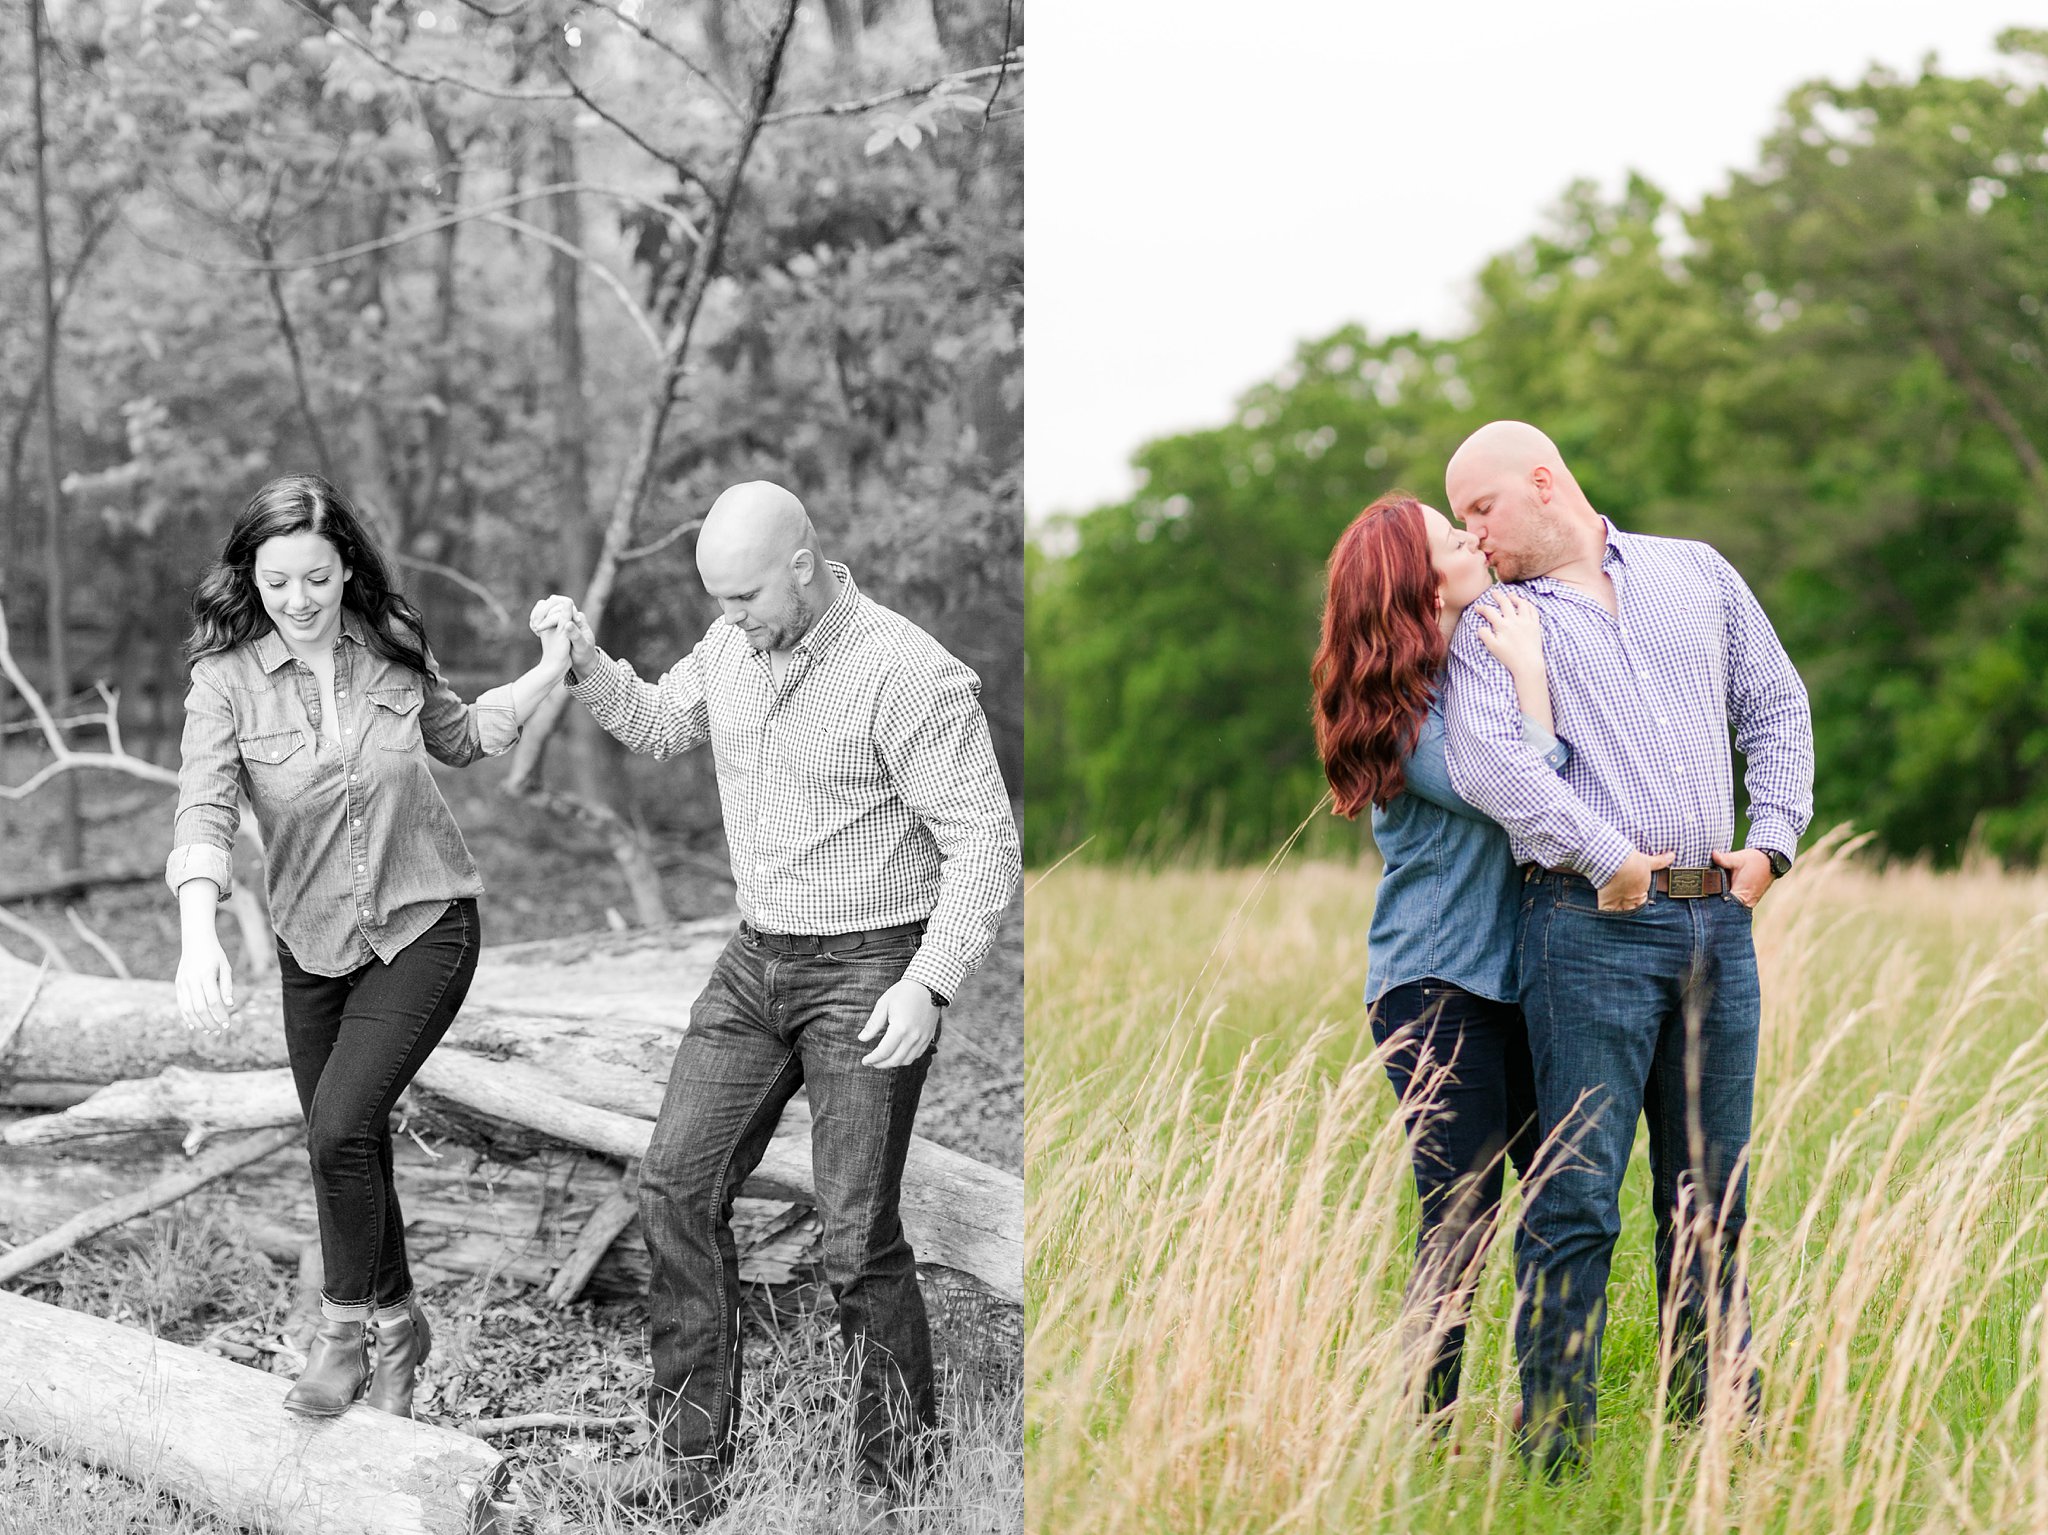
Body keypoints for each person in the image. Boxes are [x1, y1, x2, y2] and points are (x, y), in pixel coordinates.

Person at [541, 481, 1020, 1526]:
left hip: (871, 962)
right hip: (756, 960)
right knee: (673, 1186)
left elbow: (984, 841)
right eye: (715, 596)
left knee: (853, 1238)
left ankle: (899, 1480)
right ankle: (689, 1462)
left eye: (744, 593)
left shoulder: (906, 672)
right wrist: (584, 661)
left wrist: (927, 981)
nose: (729, 615)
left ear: (802, 561)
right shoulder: (730, 649)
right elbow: (662, 724)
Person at [1440, 420, 1813, 1473]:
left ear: (1542, 483)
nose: (1473, 536)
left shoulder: (1694, 573)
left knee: (1710, 1191)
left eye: (1480, 508)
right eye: (1459, 518)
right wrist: (1609, 856)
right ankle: (1551, 1448)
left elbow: (1776, 705)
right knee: (1575, 1193)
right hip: (1584, 924)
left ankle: (1714, 1424)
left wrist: (1773, 840)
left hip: (1716, 921)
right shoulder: (1494, 619)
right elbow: (1492, 766)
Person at [167, 473, 576, 1419]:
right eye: (276, 584)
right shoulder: (223, 682)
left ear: (344, 564)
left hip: (425, 922)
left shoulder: (389, 646)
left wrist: (552, 664)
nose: (298, 601)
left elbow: (465, 735)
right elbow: (205, 805)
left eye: (315, 578)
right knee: (348, 1146)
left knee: (338, 1126)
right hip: (313, 944)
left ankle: (342, 1330)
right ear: (251, 580)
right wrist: (197, 929)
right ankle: (401, 1336)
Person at [1310, 491, 1572, 1416]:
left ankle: (1548, 1410)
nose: (1469, 537)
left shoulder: (1461, 676)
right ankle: (1427, 1427)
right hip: (1433, 992)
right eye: (1447, 537)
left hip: (1510, 986)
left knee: (1561, 1204)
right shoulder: (1408, 724)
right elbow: (1528, 794)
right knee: (1461, 1219)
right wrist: (1532, 674)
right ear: (1418, 588)